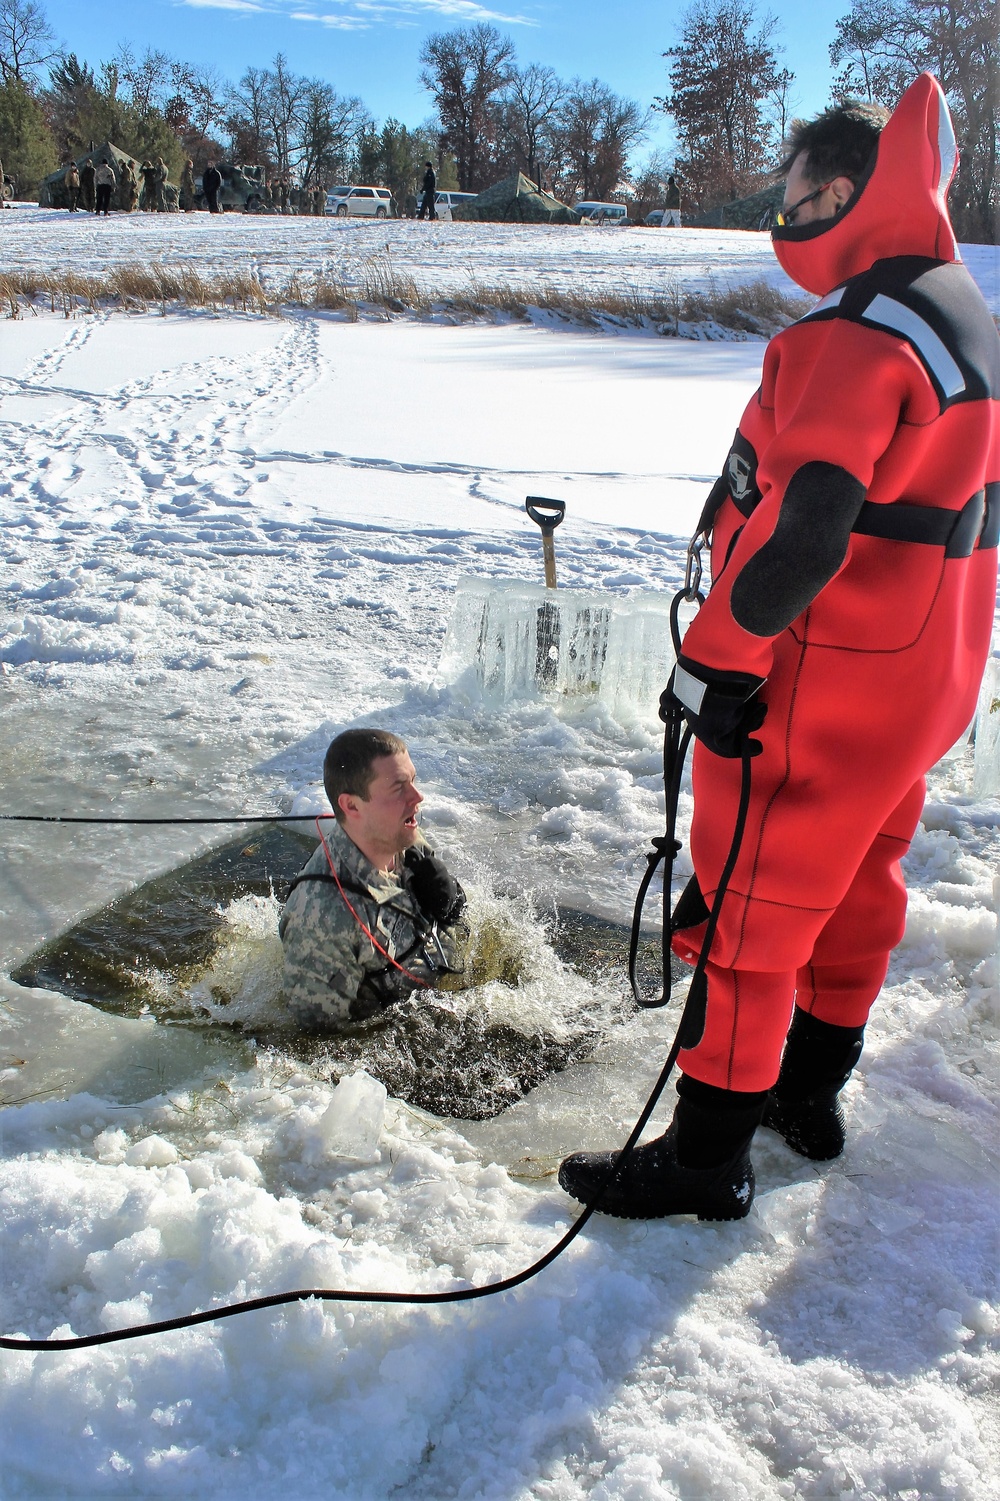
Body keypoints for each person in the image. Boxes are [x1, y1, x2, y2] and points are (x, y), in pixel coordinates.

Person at [559, 74, 999, 1222]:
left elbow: (807, 531)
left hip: (825, 675)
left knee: (749, 916)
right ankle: (806, 1094)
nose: (783, 219)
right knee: (858, 883)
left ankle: (705, 1159)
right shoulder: (962, 312)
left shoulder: (849, 339)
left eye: (795, 198)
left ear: (846, 193)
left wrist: (715, 657)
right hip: (923, 682)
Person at [279, 728, 469, 1030]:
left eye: (414, 781)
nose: (417, 797)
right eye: (398, 788)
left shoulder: (400, 834)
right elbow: (318, 1043)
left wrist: (452, 902)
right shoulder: (326, 919)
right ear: (352, 805)